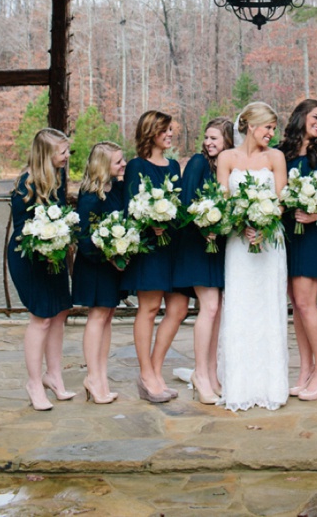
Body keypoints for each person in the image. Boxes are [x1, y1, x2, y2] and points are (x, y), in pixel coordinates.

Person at [217, 101, 289, 411]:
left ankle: (271, 385)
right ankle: (239, 385)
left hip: (270, 242)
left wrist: (265, 222)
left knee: (268, 306)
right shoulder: (226, 158)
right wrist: (241, 223)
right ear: (249, 126)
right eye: (267, 127)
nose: (271, 134)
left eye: (274, 128)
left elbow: (282, 201)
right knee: (240, 306)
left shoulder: (276, 158)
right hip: (238, 244)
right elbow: (222, 201)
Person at [121, 110, 187, 404]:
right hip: (149, 245)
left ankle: (156, 369)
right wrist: (149, 220)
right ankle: (147, 374)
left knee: (179, 308)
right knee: (148, 309)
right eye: (165, 130)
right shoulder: (136, 166)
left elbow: (179, 202)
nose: (171, 134)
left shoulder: (173, 165)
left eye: (171, 129)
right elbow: (130, 206)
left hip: (173, 243)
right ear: (151, 132)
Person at [7, 127, 74, 410]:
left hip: (54, 256)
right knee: (42, 318)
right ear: (47, 154)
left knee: (60, 313)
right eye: (63, 152)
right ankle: (34, 383)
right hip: (29, 257)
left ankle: (54, 377)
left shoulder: (56, 178)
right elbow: (24, 231)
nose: (68, 156)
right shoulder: (26, 184)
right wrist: (46, 244)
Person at [279, 98, 317, 401]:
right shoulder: (282, 153)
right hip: (290, 234)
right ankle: (304, 370)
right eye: (315, 117)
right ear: (301, 116)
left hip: (316, 233)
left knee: (306, 303)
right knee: (297, 305)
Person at [173, 116, 234, 404]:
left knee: (217, 309)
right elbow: (186, 203)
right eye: (207, 137)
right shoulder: (198, 163)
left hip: (218, 245)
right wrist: (204, 225)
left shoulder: (227, 165)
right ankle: (200, 373)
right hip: (197, 245)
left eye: (215, 139)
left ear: (228, 142)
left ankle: (211, 374)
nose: (209, 143)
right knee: (208, 308)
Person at [72, 140, 127, 404]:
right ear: (104, 165)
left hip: (113, 265)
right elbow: (83, 236)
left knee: (108, 316)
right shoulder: (90, 195)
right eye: (118, 161)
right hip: (95, 265)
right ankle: (92, 377)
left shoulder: (115, 189)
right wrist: (107, 256)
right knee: (97, 317)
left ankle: (102, 375)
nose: (123, 164)